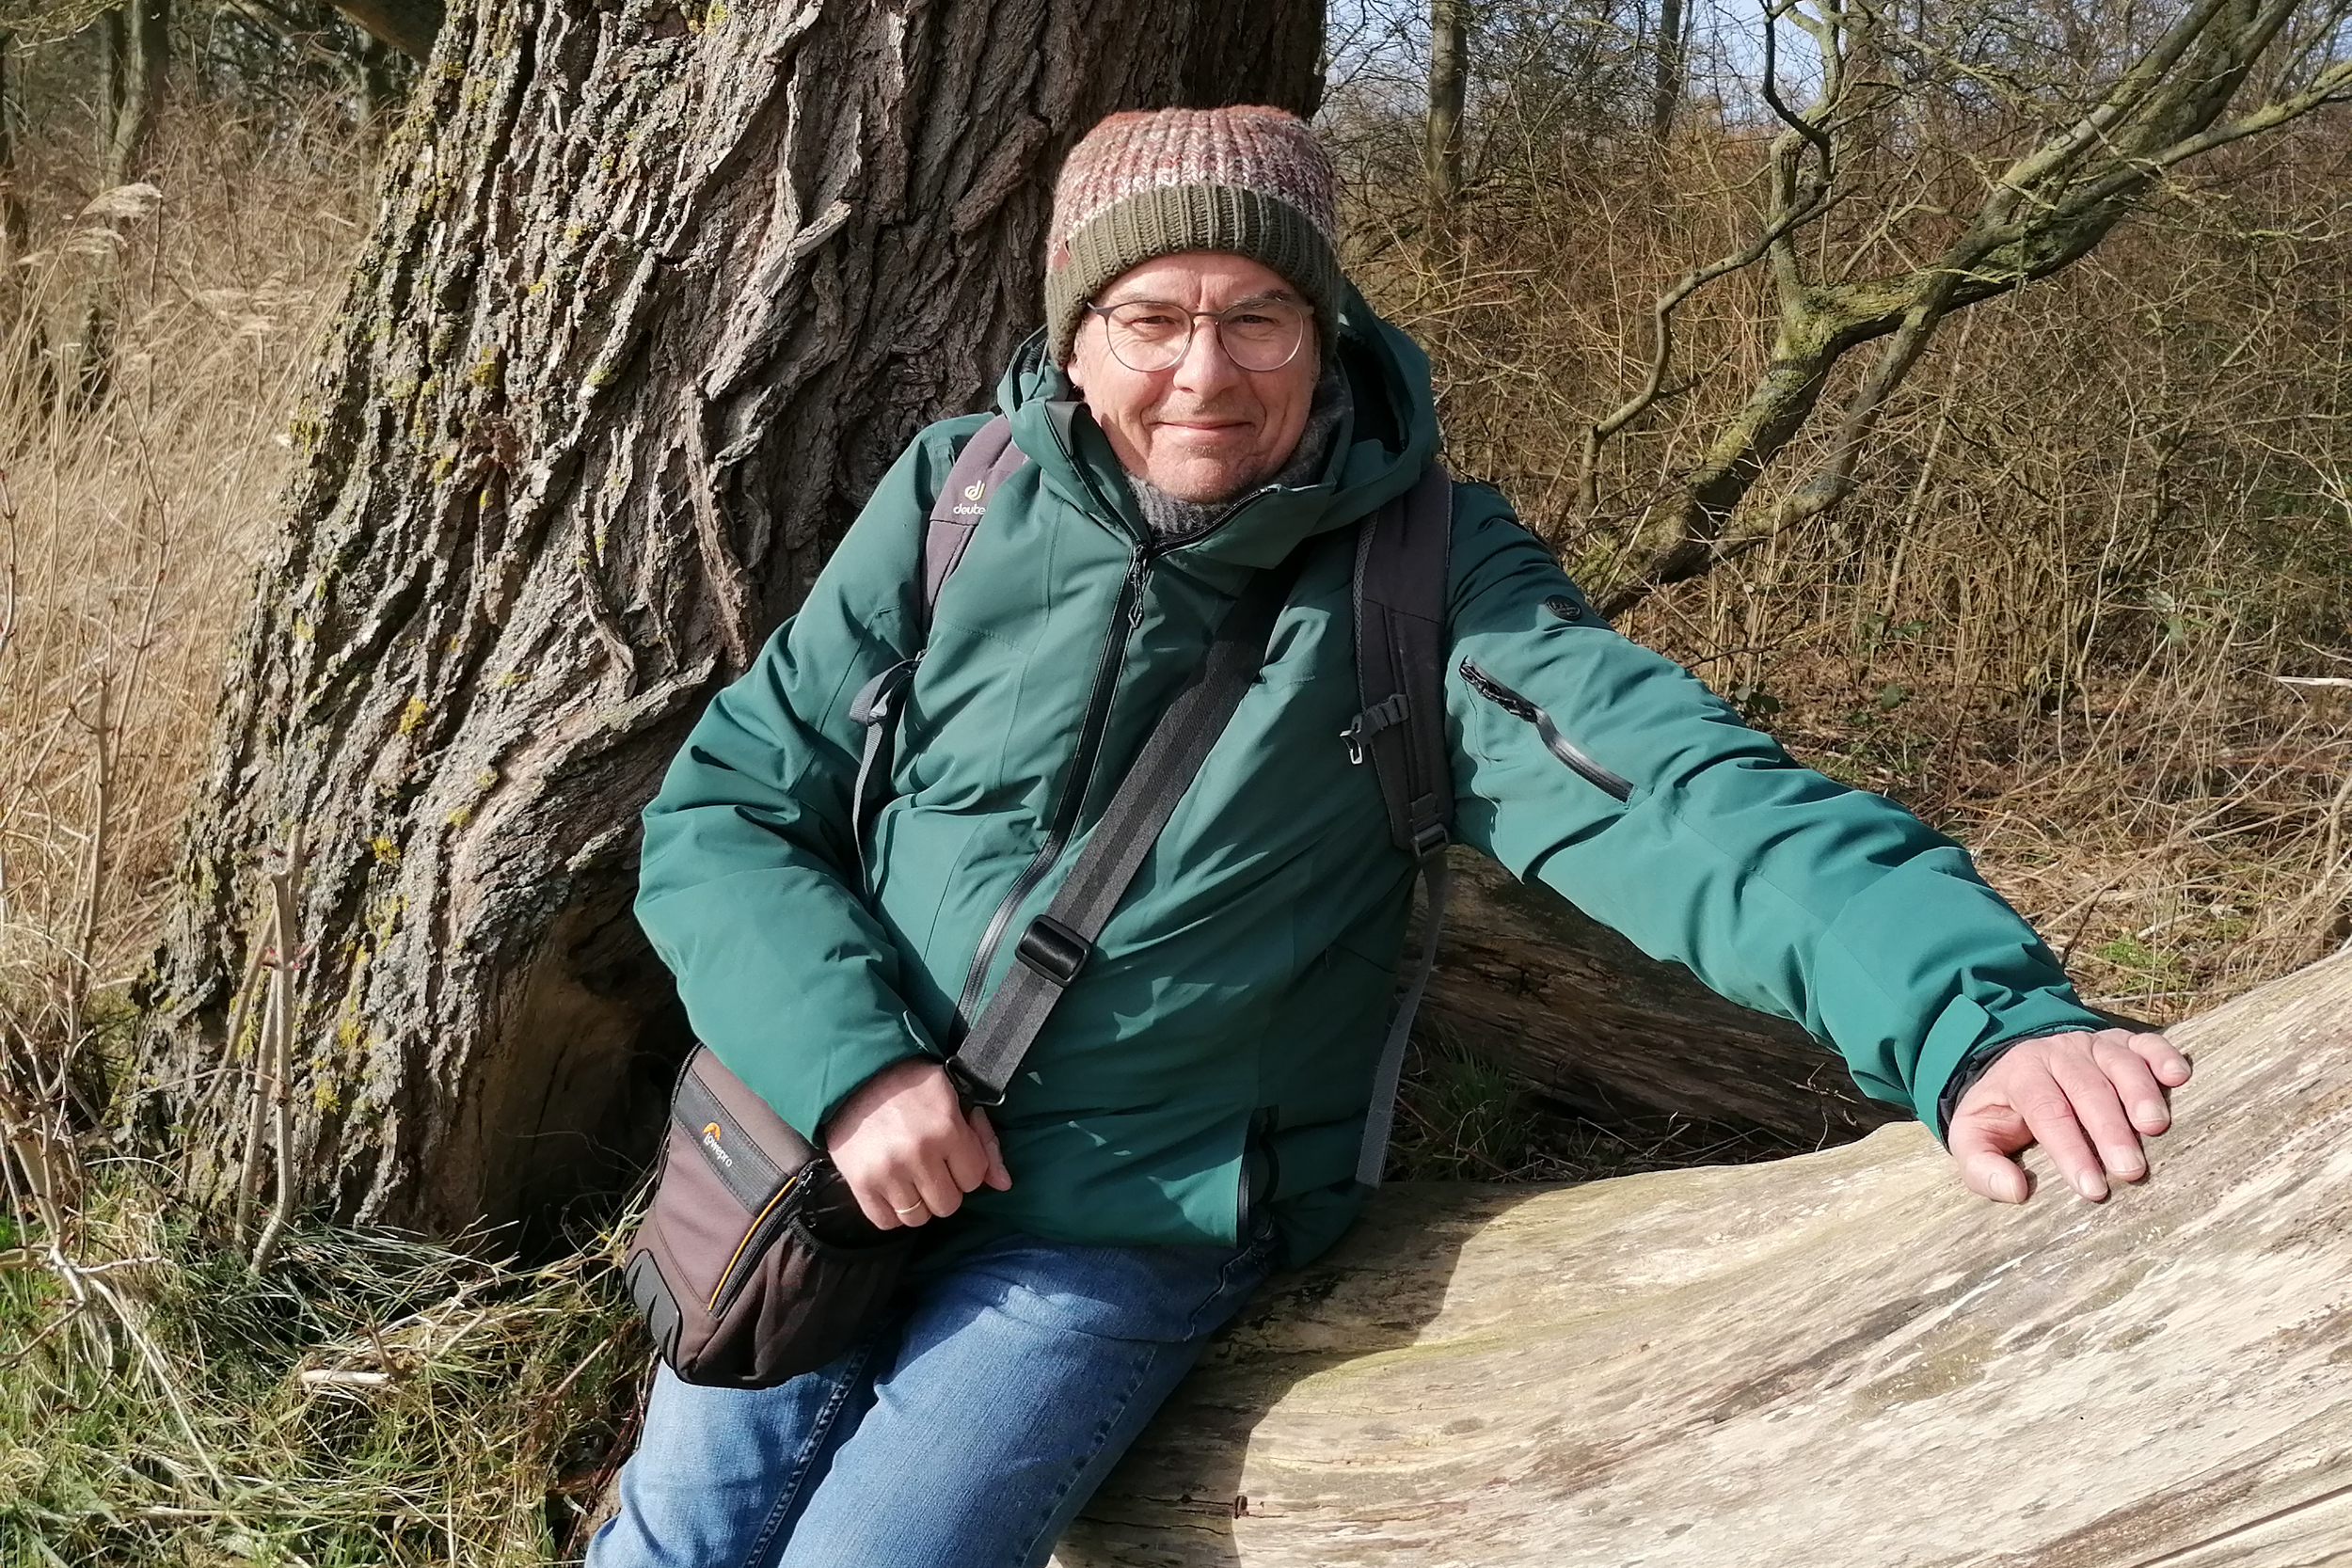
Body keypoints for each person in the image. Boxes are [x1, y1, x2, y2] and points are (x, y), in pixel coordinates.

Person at [589, 105, 2192, 1568]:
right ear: (1075, 338)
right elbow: (730, 806)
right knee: (670, 1547)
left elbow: (1677, 797)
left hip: (1118, 1225)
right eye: (1151, 319)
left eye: (1258, 317)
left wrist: (1979, 1021)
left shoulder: (1420, 574)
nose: (1204, 374)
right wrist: (857, 1070)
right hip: (828, 1164)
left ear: (1326, 329)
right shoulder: (959, 497)